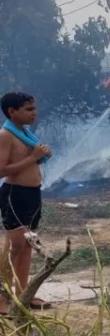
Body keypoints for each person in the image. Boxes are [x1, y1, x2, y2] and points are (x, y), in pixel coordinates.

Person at [0, 92, 53, 315]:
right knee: (15, 246)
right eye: (28, 109)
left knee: (28, 244)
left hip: (32, 194)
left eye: (34, 108)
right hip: (15, 194)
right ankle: (2, 296)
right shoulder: (6, 135)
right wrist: (33, 157)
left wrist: (40, 155)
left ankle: (24, 294)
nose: (34, 113)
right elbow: (1, 170)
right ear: (12, 112)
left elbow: (32, 159)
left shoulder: (26, 134)